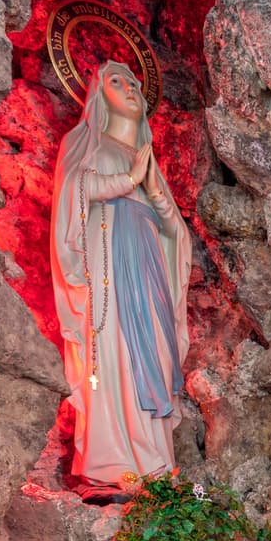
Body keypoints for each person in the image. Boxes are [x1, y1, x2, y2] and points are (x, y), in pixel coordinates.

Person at [50, 59, 191, 490]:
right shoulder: (88, 144)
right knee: (113, 351)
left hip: (149, 266)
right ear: (99, 95)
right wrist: (127, 180)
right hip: (109, 263)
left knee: (155, 352)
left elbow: (173, 229)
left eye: (134, 82)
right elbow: (74, 191)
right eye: (117, 81)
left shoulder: (148, 159)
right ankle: (113, 463)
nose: (129, 88)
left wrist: (151, 189)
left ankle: (156, 463)